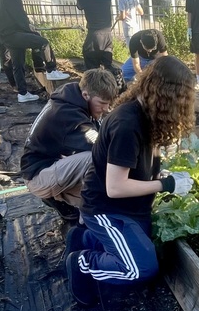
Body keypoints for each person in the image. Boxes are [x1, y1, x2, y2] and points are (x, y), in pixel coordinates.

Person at [65, 56, 196, 306]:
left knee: (144, 251)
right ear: (167, 95)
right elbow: (115, 188)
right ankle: (81, 263)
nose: (183, 109)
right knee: (140, 268)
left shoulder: (147, 114)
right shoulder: (128, 123)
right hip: (107, 208)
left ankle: (85, 239)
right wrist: (166, 185)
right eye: (182, 101)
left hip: (131, 209)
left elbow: (137, 167)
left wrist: (159, 175)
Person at [20, 68, 123, 223]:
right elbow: (101, 149)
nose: (106, 109)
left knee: (103, 198)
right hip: (37, 176)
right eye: (102, 103)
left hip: (51, 166)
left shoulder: (72, 97)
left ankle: (65, 203)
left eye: (108, 104)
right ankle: (83, 221)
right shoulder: (69, 116)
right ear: (86, 95)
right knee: (93, 160)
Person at [0, 0, 70, 103]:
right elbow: (19, 16)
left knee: (18, 65)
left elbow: (17, 15)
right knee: (43, 42)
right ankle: (51, 70)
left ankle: (23, 93)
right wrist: (29, 27)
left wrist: (28, 25)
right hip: (13, 34)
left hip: (7, 35)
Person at [75, 0, 125, 73]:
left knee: (92, 66)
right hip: (107, 34)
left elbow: (79, 6)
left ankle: (93, 85)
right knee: (107, 64)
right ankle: (110, 85)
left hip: (93, 35)